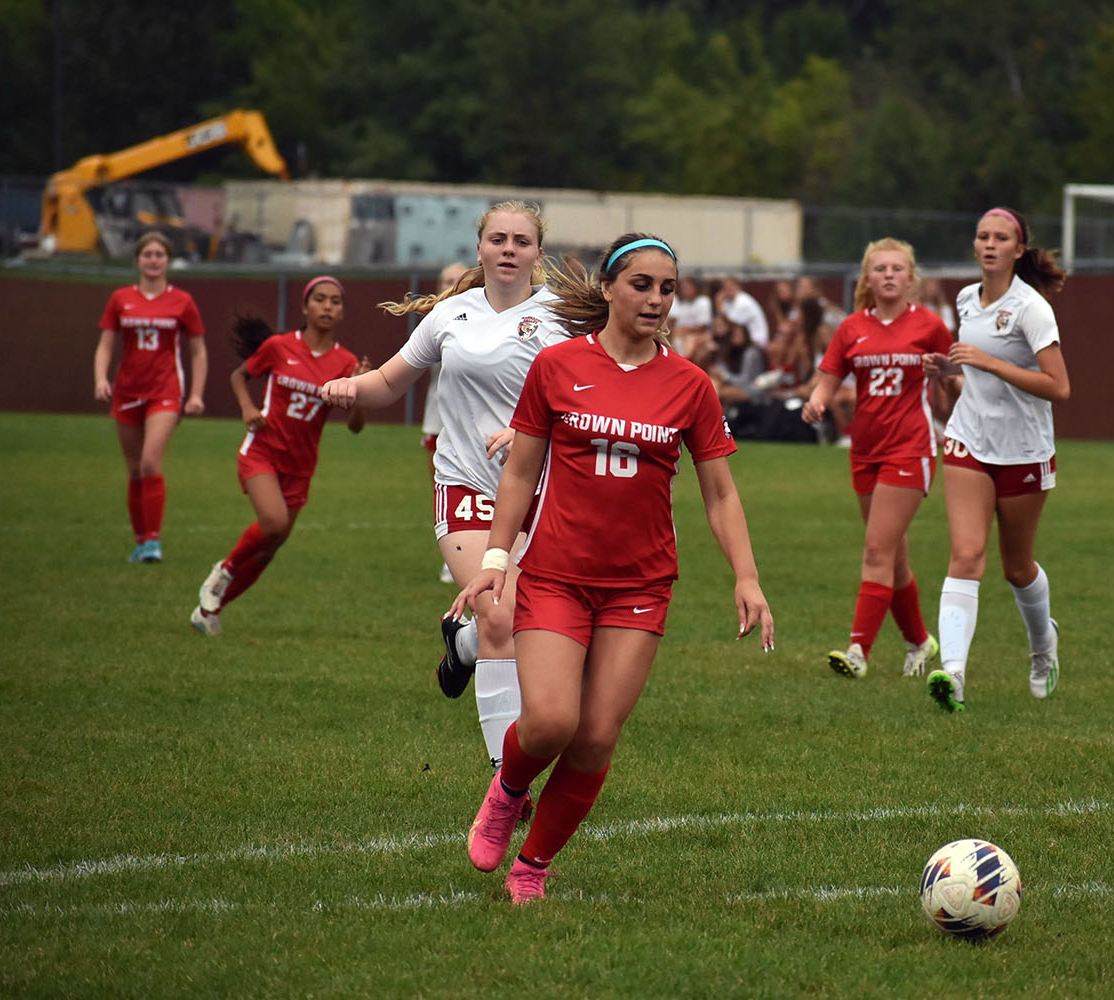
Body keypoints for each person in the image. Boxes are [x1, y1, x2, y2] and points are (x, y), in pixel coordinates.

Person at [455, 233, 773, 905]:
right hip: (556, 575)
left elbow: (720, 492)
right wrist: (493, 558)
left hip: (639, 584)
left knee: (596, 736)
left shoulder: (690, 384)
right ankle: (508, 791)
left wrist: (746, 576)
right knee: (549, 722)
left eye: (667, 288)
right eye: (642, 285)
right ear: (608, 288)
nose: (656, 299)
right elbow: (520, 470)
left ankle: (532, 866)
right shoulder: (558, 366)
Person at [318, 202, 568, 775]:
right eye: (498, 239)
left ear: (537, 254)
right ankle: (509, 780)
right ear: (479, 249)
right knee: (501, 614)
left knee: (534, 628)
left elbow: (586, 391)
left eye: (522, 241)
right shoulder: (449, 316)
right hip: (465, 485)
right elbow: (387, 381)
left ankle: (465, 645)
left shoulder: (561, 318)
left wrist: (529, 427)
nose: (509, 249)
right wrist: (348, 388)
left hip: (542, 491)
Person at [922, 207, 1071, 711]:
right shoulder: (967, 298)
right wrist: (948, 370)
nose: (989, 244)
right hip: (967, 439)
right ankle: (954, 674)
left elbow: (1059, 387)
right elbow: (974, 380)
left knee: (1016, 567)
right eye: (982, 236)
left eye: (1000, 237)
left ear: (1018, 249)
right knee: (966, 556)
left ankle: (1043, 649)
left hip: (1025, 451)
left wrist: (989, 361)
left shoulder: (1032, 308)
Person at [802, 238, 952, 680]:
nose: (888, 275)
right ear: (867, 278)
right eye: (880, 268)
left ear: (911, 279)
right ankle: (920, 642)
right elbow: (828, 378)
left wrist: (943, 373)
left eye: (897, 268)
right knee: (894, 556)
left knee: (875, 549)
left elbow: (958, 385)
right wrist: (817, 401)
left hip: (910, 447)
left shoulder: (930, 325)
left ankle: (857, 651)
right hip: (865, 450)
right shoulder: (851, 327)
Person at [190, 276, 368, 635]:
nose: (328, 306)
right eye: (320, 299)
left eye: (335, 301)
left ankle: (209, 611)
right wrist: (246, 409)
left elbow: (355, 426)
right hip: (262, 452)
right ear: (305, 307)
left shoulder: (346, 362)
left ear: (342, 311)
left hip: (300, 466)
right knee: (272, 523)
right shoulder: (278, 346)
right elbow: (240, 376)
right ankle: (223, 571)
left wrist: (360, 388)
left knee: (269, 549)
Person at [92, 231, 207, 563]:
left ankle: (154, 542)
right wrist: (101, 378)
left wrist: (196, 394)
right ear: (137, 260)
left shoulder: (182, 301)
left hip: (165, 391)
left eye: (159, 254)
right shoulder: (120, 298)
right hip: (127, 390)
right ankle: (141, 541)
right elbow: (105, 344)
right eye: (148, 254)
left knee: (150, 462)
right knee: (134, 470)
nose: (154, 260)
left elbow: (198, 351)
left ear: (168, 261)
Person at [424, 262, 470, 583]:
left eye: (458, 279)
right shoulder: (436, 318)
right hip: (436, 415)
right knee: (441, 484)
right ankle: (451, 554)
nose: (451, 284)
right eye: (446, 280)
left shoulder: (476, 317)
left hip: (470, 420)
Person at [714, 276, 770, 350]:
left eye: (731, 287)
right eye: (725, 288)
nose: (728, 291)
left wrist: (718, 305)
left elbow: (729, 325)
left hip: (756, 340)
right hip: (743, 339)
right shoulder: (728, 302)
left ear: (738, 287)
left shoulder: (743, 301)